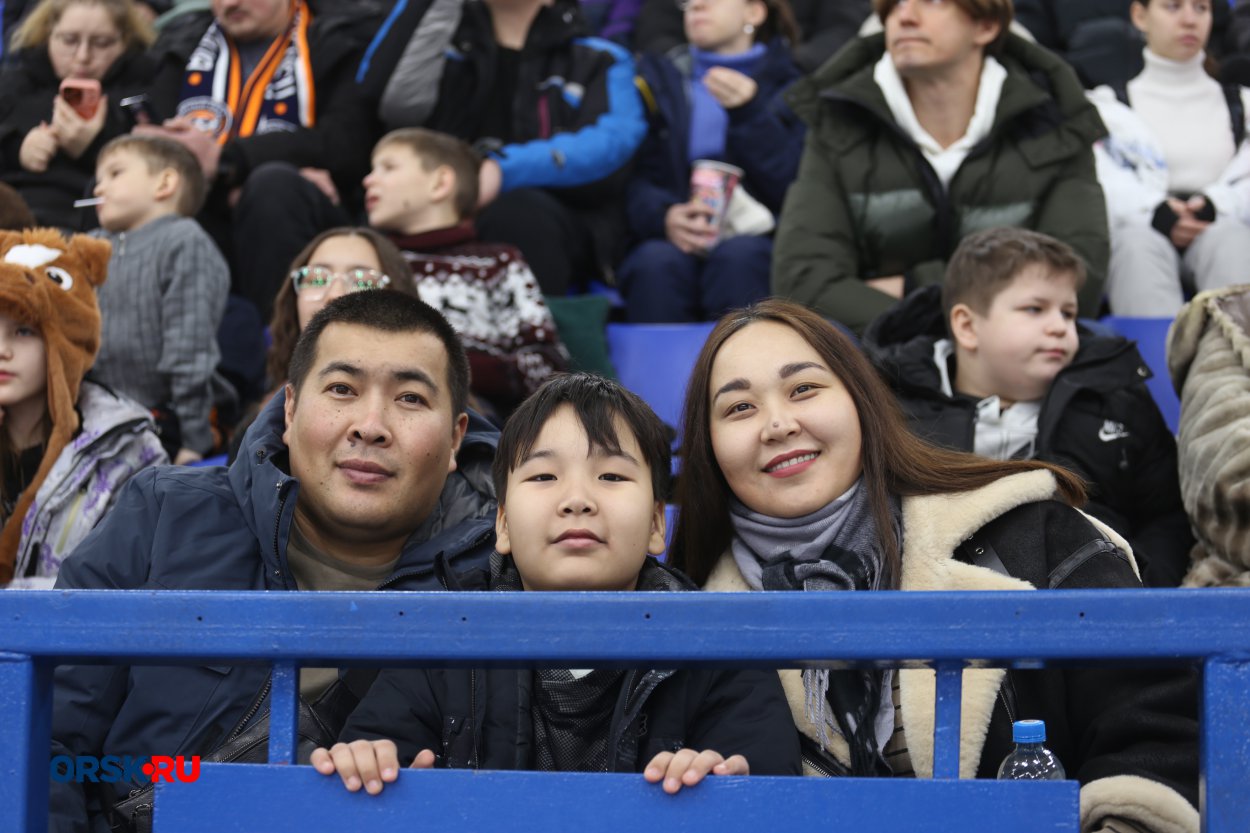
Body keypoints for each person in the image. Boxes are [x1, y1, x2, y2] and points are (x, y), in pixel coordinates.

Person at [668, 298, 1199, 832]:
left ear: (861, 401)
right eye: (740, 408)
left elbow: (1153, 732)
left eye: (803, 388)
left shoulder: (1029, 533)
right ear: (709, 445)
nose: (778, 424)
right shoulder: (686, 615)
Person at [49, 290, 499, 832]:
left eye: (410, 398)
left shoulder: (498, 575)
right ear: (289, 409)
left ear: (455, 440)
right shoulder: (164, 514)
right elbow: (47, 737)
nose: (370, 425)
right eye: (341, 389)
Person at [311, 372, 801, 792]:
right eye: (544, 477)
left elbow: (768, 786)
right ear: (503, 523)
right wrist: (370, 766)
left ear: (657, 523)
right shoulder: (445, 641)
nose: (577, 500)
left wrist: (719, 789)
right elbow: (374, 759)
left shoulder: (718, 651)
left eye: (611, 477)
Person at [864, 227, 1193, 586]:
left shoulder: (1116, 399)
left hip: (1094, 595)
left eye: (1068, 313)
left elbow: (1166, 516)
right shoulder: (892, 404)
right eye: (1035, 309)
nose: (1060, 327)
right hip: (934, 598)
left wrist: (1143, 586)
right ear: (967, 326)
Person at [771, 0, 1109, 335]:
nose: (905, 16)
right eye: (894, 5)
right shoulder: (838, 121)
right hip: (879, 357)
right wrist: (960, 322)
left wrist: (911, 286)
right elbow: (804, 285)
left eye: (932, 2)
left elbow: (1075, 280)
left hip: (1017, 358)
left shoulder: (1056, 120)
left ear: (986, 26)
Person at [358, 0, 646, 295]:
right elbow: (378, 92)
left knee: (518, 213)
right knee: (368, 229)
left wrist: (503, 170)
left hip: (555, 219)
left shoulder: (599, 58)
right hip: (436, 198)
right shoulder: (442, 46)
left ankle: (531, 323)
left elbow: (612, 140)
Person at [136, 0, 385, 320]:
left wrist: (230, 160)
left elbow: (345, 143)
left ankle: (283, 341)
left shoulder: (340, 39)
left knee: (273, 186)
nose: (231, 3)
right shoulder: (181, 42)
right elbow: (154, 127)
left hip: (299, 216)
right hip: (205, 203)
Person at [0, 226, 165, 588]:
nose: (2, 350)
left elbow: (120, 586)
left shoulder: (128, 451)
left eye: (23, 331)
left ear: (65, 346)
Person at [619, 0, 804, 323]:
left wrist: (750, 114)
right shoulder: (657, 80)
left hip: (761, 237)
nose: (696, 6)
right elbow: (632, 177)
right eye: (688, 1)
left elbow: (795, 185)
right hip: (673, 234)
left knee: (741, 259)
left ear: (754, 12)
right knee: (654, 265)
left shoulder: (793, 85)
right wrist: (664, 216)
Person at [364, 128, 569, 414]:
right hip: (376, 407)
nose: (368, 180)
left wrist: (447, 368)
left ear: (440, 183)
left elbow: (547, 365)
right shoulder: (369, 260)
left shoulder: (498, 263)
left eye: (388, 167)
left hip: (477, 416)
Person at [1087, 0, 1250, 317]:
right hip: (1141, 228)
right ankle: (1153, 350)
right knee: (1135, 247)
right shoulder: (1105, 106)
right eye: (1173, 7)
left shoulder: (1243, 104)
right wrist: (1155, 212)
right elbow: (1100, 179)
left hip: (1224, 224)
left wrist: (1217, 206)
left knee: (1233, 242)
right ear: (1140, 15)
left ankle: (1235, 349)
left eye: (1201, 8)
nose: (1190, 20)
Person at [88, 134, 229, 463]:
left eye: (115, 173)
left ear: (164, 184)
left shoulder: (184, 242)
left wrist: (194, 439)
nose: (97, 189)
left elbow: (190, 344)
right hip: (100, 420)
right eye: (98, 179)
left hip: (169, 422)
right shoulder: (91, 246)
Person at [0, 0, 155, 230]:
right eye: (69, 40)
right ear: (47, 35)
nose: (83, 56)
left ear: (125, 41)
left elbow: (161, 167)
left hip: (99, 225)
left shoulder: (144, 89)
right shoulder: (13, 85)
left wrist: (97, 145)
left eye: (101, 43)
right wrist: (16, 149)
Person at [633, 0, 872, 74]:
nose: (697, 5)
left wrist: (787, 68)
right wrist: (683, 69)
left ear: (755, 12)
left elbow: (843, 29)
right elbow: (657, 26)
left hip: (798, 74)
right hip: (690, 74)